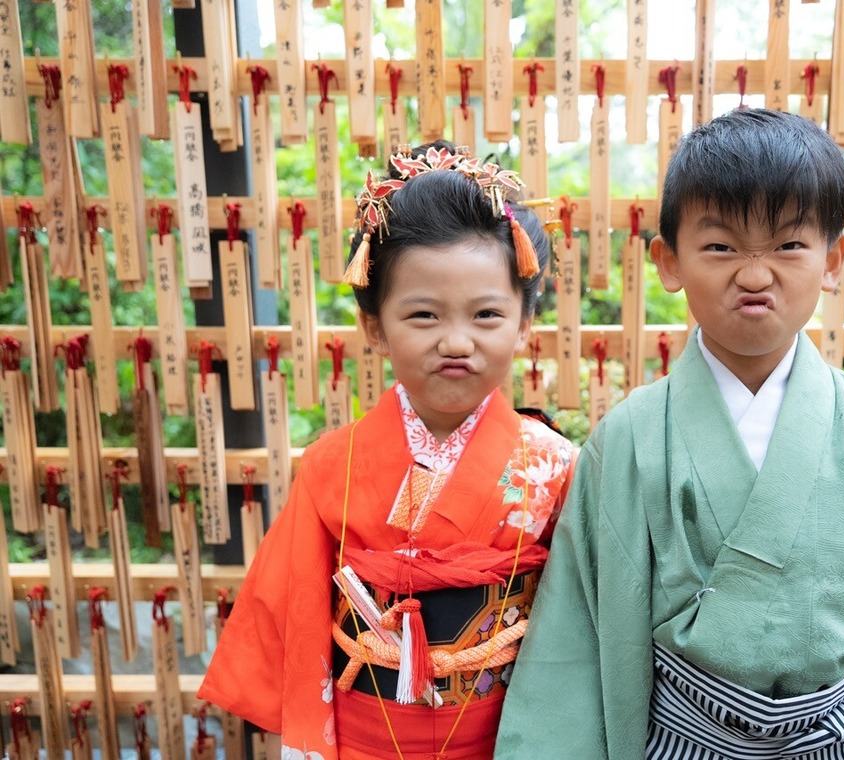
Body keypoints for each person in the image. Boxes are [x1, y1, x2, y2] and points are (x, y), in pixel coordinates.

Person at [496, 109, 844, 758]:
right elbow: (573, 649)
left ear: (832, 261)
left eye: (788, 246)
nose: (755, 275)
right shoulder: (627, 443)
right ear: (669, 262)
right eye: (721, 247)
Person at [199, 144, 574, 760]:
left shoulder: (555, 467)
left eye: (487, 314)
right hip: (364, 740)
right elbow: (295, 613)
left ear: (524, 323)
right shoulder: (332, 465)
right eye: (423, 315)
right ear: (374, 326)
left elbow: (576, 633)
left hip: (505, 739)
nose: (457, 342)